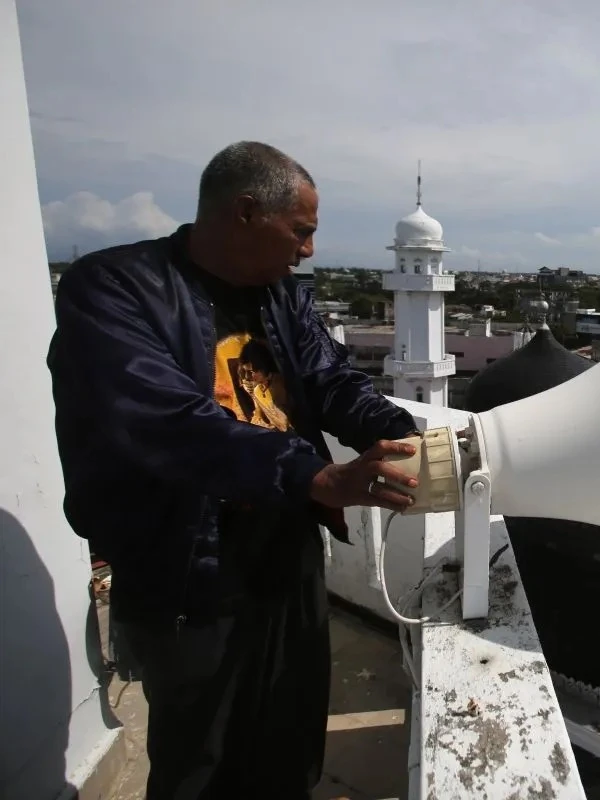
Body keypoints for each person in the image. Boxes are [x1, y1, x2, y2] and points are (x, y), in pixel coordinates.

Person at [47, 141, 422, 799]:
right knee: (201, 760)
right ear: (248, 211)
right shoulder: (113, 289)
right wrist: (314, 477)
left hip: (285, 554)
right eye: (300, 231)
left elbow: (329, 377)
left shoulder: (282, 295)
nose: (308, 249)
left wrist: (397, 432)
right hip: (186, 570)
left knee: (289, 738)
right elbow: (166, 420)